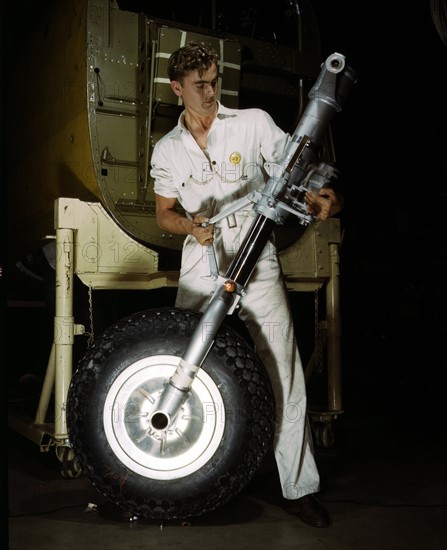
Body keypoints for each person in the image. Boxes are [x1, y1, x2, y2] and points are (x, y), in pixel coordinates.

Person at [150, 41, 344, 528]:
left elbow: (295, 169)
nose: (210, 91)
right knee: (183, 367)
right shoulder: (167, 149)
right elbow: (164, 214)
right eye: (199, 85)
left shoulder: (253, 122)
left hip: (256, 259)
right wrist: (190, 227)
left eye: (214, 80)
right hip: (201, 262)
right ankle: (176, 481)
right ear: (177, 89)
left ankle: (298, 488)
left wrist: (324, 196)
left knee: (282, 371)